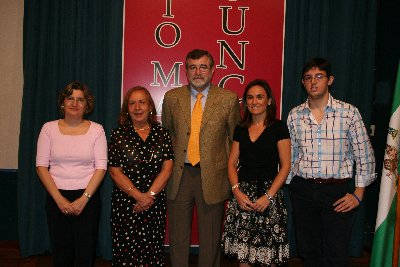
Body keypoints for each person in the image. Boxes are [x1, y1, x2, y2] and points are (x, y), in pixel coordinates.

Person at [287, 57, 376, 267]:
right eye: (308, 78)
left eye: (319, 76)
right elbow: (291, 156)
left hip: (338, 193)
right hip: (304, 191)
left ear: (330, 80)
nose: (313, 82)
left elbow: (365, 156)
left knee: (335, 254)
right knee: (309, 253)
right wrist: (292, 187)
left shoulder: (349, 113)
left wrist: (358, 194)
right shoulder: (294, 115)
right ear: (303, 83)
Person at [162, 49, 241, 267]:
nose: (198, 72)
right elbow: (167, 134)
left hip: (214, 176)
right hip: (180, 175)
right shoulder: (172, 98)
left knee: (211, 237)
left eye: (203, 67)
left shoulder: (228, 99)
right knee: (178, 236)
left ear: (213, 70)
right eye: (192, 67)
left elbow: (235, 139)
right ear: (186, 70)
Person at [36, 81, 107, 267]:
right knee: (61, 253)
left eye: (80, 99)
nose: (75, 103)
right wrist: (59, 199)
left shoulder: (97, 130)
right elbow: (41, 166)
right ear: (62, 103)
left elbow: (101, 167)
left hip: (88, 198)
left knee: (86, 253)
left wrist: (84, 199)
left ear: (87, 105)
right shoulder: (48, 129)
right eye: (70, 98)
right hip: (56, 197)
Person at [221, 79, 291, 267]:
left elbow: (285, 166)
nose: (254, 101)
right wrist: (236, 192)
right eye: (250, 97)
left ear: (269, 101)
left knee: (268, 257)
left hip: (269, 196)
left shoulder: (279, 128)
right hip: (243, 196)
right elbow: (231, 163)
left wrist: (268, 196)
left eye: (260, 97)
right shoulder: (240, 129)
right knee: (244, 255)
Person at [108, 86, 174, 266]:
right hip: (126, 204)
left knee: (152, 252)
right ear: (126, 109)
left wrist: (149, 197)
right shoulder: (118, 134)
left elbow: (167, 168)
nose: (137, 107)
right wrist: (139, 196)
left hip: (154, 203)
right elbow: (114, 171)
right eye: (132, 103)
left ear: (150, 106)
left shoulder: (162, 133)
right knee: (126, 252)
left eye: (142, 102)